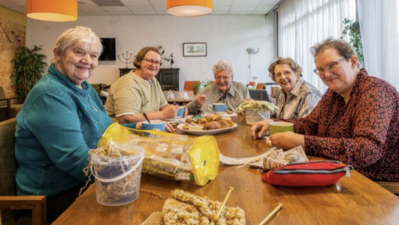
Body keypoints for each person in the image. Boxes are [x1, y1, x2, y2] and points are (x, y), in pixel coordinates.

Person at [251, 38, 399, 182]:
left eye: (332, 65)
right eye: (320, 70)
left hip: (376, 180)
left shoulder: (375, 91)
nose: (326, 75)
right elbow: (310, 124)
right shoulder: (333, 93)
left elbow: (366, 150)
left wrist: (303, 142)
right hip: (342, 172)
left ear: (353, 62)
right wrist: (273, 123)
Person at [14, 26, 113, 222]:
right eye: (78, 52)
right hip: (52, 196)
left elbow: (110, 131)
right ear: (58, 54)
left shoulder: (84, 88)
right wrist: (126, 173)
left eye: (93, 55)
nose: (87, 60)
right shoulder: (50, 93)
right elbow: (75, 159)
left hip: (88, 182)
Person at [105, 47, 187, 132]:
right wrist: (163, 115)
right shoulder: (128, 83)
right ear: (139, 61)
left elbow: (163, 106)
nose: (153, 65)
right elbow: (126, 119)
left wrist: (177, 109)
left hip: (145, 133)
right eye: (150, 61)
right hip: (121, 138)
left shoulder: (153, 81)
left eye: (157, 62)